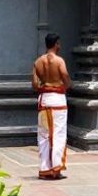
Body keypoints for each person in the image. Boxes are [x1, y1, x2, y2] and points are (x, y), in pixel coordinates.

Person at [32, 32, 70, 180]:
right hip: (57, 99)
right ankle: (56, 169)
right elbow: (65, 76)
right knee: (58, 134)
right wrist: (67, 85)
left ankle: (44, 169)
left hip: (44, 99)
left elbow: (35, 84)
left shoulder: (38, 62)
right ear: (56, 44)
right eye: (59, 44)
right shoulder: (59, 61)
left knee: (44, 135)